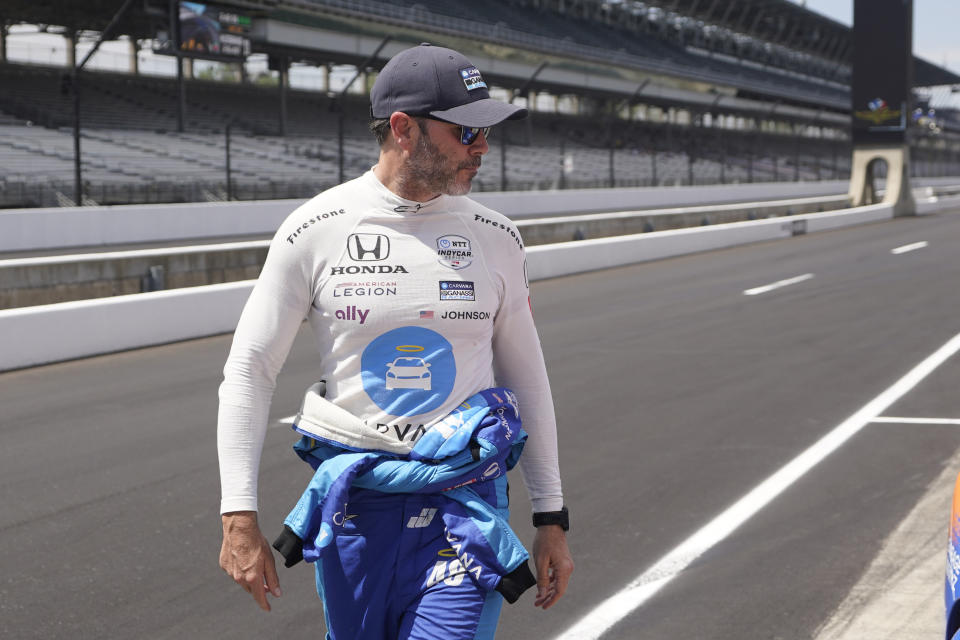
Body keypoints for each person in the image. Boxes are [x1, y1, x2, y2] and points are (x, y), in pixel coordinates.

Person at [217, 43, 573, 639]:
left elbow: (527, 379)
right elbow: (250, 370)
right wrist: (238, 515)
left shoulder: (496, 236)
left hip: (464, 504)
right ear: (404, 129)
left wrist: (551, 516)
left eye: (487, 132)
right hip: (357, 505)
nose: (482, 147)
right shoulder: (314, 229)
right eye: (467, 131)